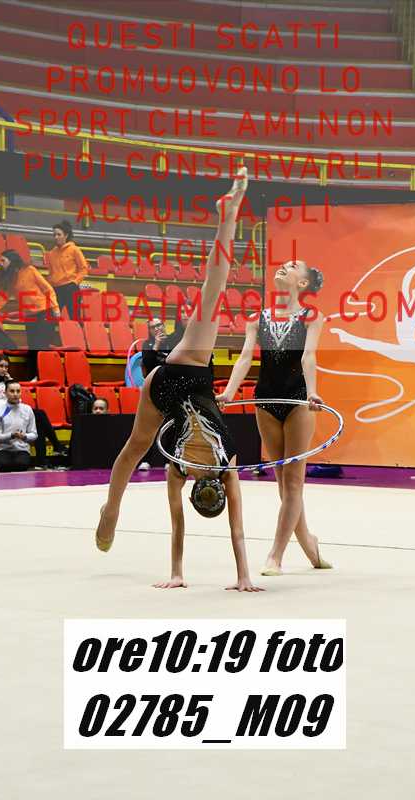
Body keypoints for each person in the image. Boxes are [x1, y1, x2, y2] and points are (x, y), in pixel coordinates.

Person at [96, 167, 262, 592]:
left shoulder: (181, 467)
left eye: (199, 491)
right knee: (214, 290)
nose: (206, 485)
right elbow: (237, 531)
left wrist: (177, 573)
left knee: (134, 448)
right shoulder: (223, 465)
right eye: (211, 490)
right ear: (216, 489)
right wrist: (243, 576)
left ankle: (110, 510)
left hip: (167, 383)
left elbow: (179, 524)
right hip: (185, 372)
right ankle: (228, 214)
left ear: (195, 489)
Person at [217, 260, 331, 575]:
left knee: (293, 482)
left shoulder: (311, 317)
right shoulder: (258, 318)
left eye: (293, 267)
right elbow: (245, 357)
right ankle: (310, 544)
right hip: (266, 400)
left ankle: (275, 555)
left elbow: (308, 356)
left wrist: (312, 392)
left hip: (297, 400)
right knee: (284, 484)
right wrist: (229, 392)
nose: (284, 267)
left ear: (302, 284)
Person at [0, 250, 59, 379]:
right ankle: (33, 377)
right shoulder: (11, 279)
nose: (1, 263)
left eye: (3, 260)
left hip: (44, 312)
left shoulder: (30, 270)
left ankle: (40, 377)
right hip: (29, 317)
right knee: (32, 348)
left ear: (11, 261)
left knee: (40, 347)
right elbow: (1, 301)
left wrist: (55, 307)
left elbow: (48, 289)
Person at [0, 353, 67, 468]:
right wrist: (5, 404)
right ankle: (56, 446)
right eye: (1, 366)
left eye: (6, 367)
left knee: (38, 421)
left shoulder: (6, 381)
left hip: (14, 411)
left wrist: (10, 381)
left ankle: (42, 458)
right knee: (39, 415)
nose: (4, 369)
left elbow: (18, 400)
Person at [47, 220, 89, 320]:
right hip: (56, 289)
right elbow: (51, 273)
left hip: (70, 288)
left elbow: (83, 268)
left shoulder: (74, 250)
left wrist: (75, 282)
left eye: (59, 234)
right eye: (54, 235)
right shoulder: (51, 253)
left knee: (75, 318)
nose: (56, 237)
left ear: (66, 235)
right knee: (51, 319)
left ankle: (79, 331)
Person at [0, 380, 37, 472]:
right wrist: (11, 435)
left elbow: (34, 434)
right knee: (3, 465)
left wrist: (25, 436)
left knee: (22, 465)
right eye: (12, 391)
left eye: (18, 391)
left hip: (22, 449)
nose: (15, 394)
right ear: (5, 393)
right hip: (3, 449)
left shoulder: (27, 409)